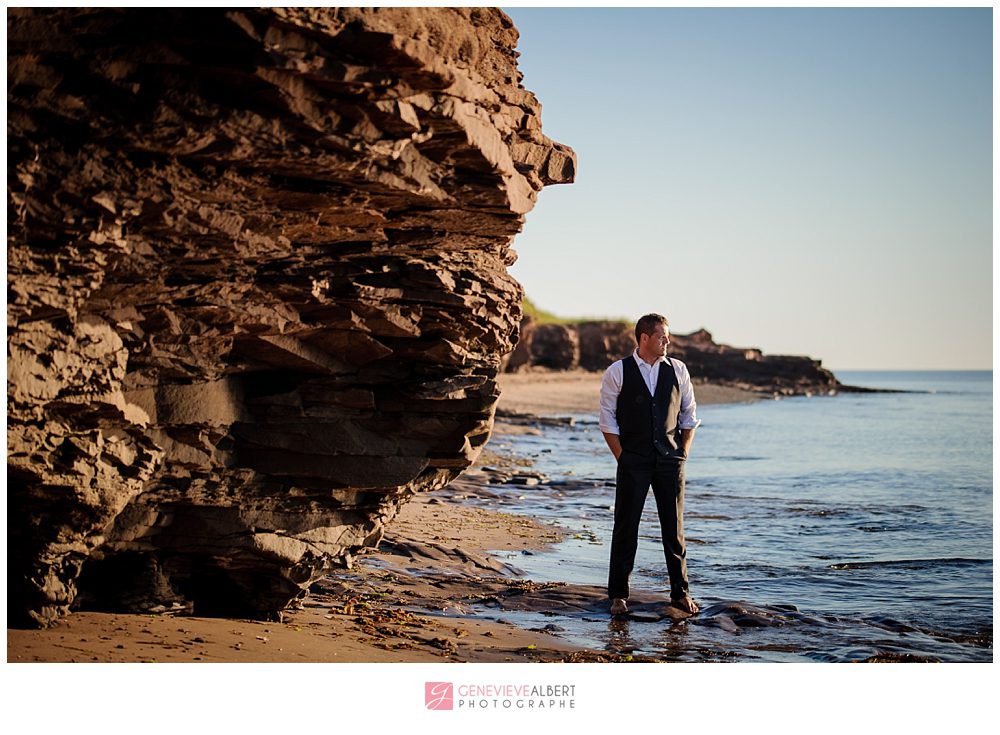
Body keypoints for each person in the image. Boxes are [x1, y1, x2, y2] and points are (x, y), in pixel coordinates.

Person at [599, 313, 701, 617]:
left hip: (670, 461)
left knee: (674, 529)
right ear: (644, 338)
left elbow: (689, 415)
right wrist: (623, 458)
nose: (667, 341)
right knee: (626, 527)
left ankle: (680, 594)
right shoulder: (618, 372)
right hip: (633, 461)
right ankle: (618, 596)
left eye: (667, 336)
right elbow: (607, 420)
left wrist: (682, 452)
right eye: (662, 337)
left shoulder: (678, 370)